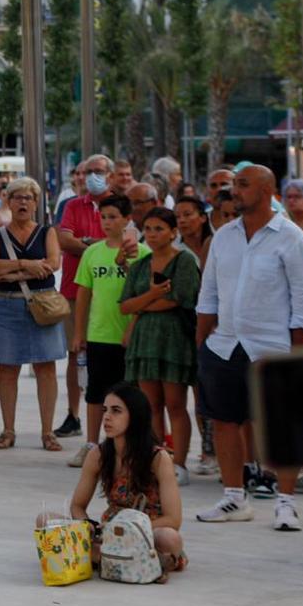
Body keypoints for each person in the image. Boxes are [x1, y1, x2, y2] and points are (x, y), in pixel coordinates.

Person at [194, 164, 303, 530]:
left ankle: (286, 502)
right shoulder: (223, 238)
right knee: (226, 422)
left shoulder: (292, 239)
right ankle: (234, 497)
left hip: (272, 348)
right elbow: (209, 294)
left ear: (266, 191)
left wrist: (293, 356)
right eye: (233, 185)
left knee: (281, 426)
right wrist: (202, 346)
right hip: (226, 345)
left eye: (242, 185)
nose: (234, 191)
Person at [69, 383, 187, 575]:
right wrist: (88, 526)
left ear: (135, 416)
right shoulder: (97, 454)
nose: (106, 417)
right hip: (108, 534)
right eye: (105, 410)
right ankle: (135, 561)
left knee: (169, 538)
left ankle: (104, 558)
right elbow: (77, 505)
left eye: (116, 411)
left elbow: (173, 519)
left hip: (146, 533)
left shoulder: (158, 458)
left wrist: (128, 529)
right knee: (46, 521)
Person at [0, 175, 65, 451]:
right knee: (7, 369)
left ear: (36, 203)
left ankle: (47, 432)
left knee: (46, 368)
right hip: (7, 306)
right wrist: (26, 265)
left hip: (41, 305)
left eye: (28, 198)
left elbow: (53, 263)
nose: (22, 202)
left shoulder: (47, 232)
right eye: (17, 197)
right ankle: (8, 430)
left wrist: (12, 270)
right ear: (8, 201)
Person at [119, 205, 200, 480]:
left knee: (176, 403)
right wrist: (151, 296)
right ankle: (156, 460)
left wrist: (143, 304)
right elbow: (126, 305)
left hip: (174, 339)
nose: (152, 235)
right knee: (150, 405)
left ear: (173, 232)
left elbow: (180, 298)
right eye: (148, 229)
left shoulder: (184, 261)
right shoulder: (141, 264)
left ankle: (180, 463)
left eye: (159, 229)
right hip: (145, 339)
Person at [69, 195, 136, 468]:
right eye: (104, 217)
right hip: (98, 334)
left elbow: (142, 292)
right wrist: (78, 332)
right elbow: (83, 295)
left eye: (113, 217)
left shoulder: (141, 253)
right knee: (96, 393)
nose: (107, 222)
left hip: (128, 337)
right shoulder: (92, 253)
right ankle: (91, 445)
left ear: (127, 219)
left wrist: (132, 328)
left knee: (128, 393)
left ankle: (127, 447)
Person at [55, 154, 115, 436]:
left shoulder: (118, 205)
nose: (91, 176)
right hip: (74, 290)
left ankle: (111, 414)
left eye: (98, 171)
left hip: (111, 294)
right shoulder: (72, 206)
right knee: (74, 353)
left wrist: (85, 244)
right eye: (87, 171)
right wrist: (99, 245)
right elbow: (63, 240)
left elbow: (122, 243)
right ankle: (73, 414)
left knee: (111, 356)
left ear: (110, 175)